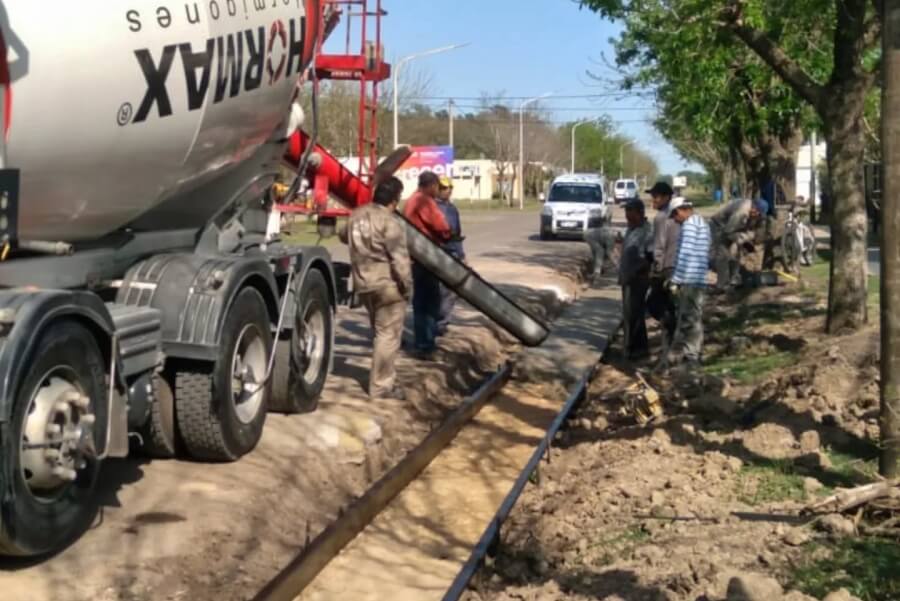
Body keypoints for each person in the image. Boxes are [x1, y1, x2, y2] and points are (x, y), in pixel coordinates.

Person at [344, 176, 411, 400]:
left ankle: (381, 378)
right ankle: (381, 387)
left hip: (363, 285)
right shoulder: (390, 222)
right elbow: (400, 260)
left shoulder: (355, 216)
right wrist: (407, 287)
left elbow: (343, 235)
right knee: (387, 336)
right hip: (386, 286)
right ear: (395, 199)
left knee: (380, 332)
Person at [403, 171, 451, 357]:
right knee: (430, 301)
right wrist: (448, 234)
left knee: (421, 301)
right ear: (431, 186)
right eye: (437, 187)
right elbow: (441, 225)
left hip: (415, 256)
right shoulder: (424, 201)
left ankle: (423, 341)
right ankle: (426, 344)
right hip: (426, 256)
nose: (438, 191)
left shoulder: (411, 200)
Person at [663, 197, 711, 368]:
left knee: (689, 319)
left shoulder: (689, 225)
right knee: (695, 317)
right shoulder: (702, 223)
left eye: (674, 216)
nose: (675, 220)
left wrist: (675, 280)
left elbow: (685, 253)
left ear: (680, 211)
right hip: (699, 278)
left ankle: (691, 357)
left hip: (689, 279)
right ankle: (692, 353)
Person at [645, 181, 680, 351]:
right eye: (652, 196)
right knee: (671, 304)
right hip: (678, 266)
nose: (653, 199)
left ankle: (669, 339)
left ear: (667, 197)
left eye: (656, 196)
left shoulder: (661, 217)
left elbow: (659, 246)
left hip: (666, 268)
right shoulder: (676, 215)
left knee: (656, 304)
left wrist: (657, 270)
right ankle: (672, 339)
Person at [618, 199, 654, 360]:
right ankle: (629, 346)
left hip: (638, 279)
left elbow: (651, 256)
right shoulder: (630, 229)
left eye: (630, 212)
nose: (627, 215)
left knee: (635, 313)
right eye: (626, 212)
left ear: (640, 213)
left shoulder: (647, 231)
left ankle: (638, 349)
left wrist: (639, 271)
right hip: (627, 278)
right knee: (628, 313)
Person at [709, 197, 767, 291]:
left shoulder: (754, 213)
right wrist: (743, 241)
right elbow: (728, 232)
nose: (758, 215)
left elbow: (751, 230)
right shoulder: (741, 212)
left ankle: (734, 279)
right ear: (753, 208)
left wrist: (746, 241)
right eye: (757, 213)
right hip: (719, 225)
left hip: (733, 228)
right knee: (723, 254)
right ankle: (722, 285)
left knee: (736, 252)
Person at [435, 175, 465, 334]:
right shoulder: (432, 208)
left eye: (449, 188)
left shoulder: (452, 209)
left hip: (453, 252)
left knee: (451, 290)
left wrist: (462, 254)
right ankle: (438, 322)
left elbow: (457, 233)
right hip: (438, 253)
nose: (447, 191)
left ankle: (443, 322)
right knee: (439, 290)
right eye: (444, 188)